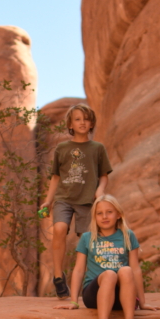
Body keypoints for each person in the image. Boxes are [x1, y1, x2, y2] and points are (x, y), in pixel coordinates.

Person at [55, 194, 159, 319]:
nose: (104, 216)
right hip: (94, 294)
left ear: (118, 214)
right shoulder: (87, 238)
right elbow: (78, 270)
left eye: (109, 212)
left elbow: (136, 270)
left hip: (121, 296)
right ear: (94, 217)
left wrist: (142, 303)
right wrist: (73, 301)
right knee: (110, 274)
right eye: (99, 213)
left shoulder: (127, 235)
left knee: (126, 270)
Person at [38, 104, 112, 299]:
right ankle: (58, 277)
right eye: (78, 119)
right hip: (64, 198)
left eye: (86, 119)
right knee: (60, 229)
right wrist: (48, 201)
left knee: (87, 241)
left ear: (91, 124)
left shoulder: (97, 148)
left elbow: (104, 175)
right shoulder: (62, 148)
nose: (82, 122)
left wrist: (100, 189)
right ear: (70, 123)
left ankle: (91, 282)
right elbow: (55, 177)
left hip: (87, 201)